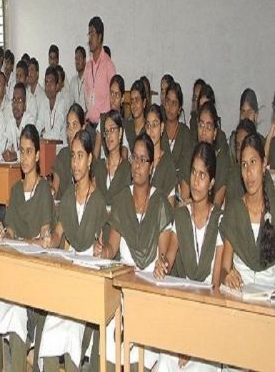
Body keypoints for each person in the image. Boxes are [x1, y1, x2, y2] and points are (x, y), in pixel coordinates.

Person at [94, 133, 173, 371]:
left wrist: (161, 264)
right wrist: (102, 250)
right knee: (109, 330)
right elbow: (112, 248)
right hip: (125, 280)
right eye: (134, 159)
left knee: (145, 333)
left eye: (143, 159)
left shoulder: (160, 202)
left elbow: (164, 255)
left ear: (152, 166)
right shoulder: (121, 200)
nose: (137, 165)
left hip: (149, 284)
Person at [0, 124, 54, 372]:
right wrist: (4, 232)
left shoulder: (44, 190)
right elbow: (11, 229)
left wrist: (31, 239)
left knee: (17, 316)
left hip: (32, 271)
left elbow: (44, 234)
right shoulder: (14, 189)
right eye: (21, 151)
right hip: (13, 266)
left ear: (37, 156)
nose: (23, 158)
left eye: (28, 151)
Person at [38, 130, 108, 372]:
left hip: (88, 281)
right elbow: (59, 233)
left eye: (81, 156)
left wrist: (101, 249)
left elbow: (105, 248)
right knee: (50, 331)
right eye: (73, 156)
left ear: (90, 159)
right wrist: (50, 239)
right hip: (69, 274)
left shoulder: (98, 201)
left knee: (70, 335)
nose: (76, 162)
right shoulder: (68, 197)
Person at [154, 142, 223, 372]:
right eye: (193, 172)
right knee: (165, 362)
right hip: (183, 311)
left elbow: (215, 287)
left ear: (212, 182)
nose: (195, 180)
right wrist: (161, 265)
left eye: (202, 175)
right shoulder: (181, 215)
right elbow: (169, 257)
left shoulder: (220, 221)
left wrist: (192, 340)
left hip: (209, 318)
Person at [220, 132, 275, 297]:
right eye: (244, 165)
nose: (248, 172)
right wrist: (227, 275)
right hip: (240, 294)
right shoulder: (234, 210)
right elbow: (223, 268)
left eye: (253, 162)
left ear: (264, 164)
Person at [226, 119, 274, 204]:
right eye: (238, 146)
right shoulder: (233, 175)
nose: (241, 151)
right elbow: (230, 211)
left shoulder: (265, 177)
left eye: (245, 145)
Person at [93, 109, 131, 208]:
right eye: (106, 132)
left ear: (120, 132)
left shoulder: (128, 169)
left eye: (112, 129)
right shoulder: (100, 167)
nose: (108, 135)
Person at [161, 81, 191, 202]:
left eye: (174, 103)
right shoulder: (158, 129)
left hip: (179, 190)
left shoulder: (185, 133)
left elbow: (186, 167)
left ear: (179, 109)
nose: (170, 107)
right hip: (159, 187)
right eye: (168, 101)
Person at [196, 101, 230, 207]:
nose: (204, 132)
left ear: (215, 133)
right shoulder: (192, 155)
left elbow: (217, 203)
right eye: (201, 125)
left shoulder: (221, 160)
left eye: (208, 127)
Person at [83, 16, 115, 127]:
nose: (90, 39)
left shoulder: (108, 65)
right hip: (90, 125)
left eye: (93, 34)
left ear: (100, 37)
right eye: (89, 34)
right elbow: (86, 95)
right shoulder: (87, 66)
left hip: (103, 126)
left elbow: (114, 97)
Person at [144, 104, 177, 204]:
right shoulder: (140, 159)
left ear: (162, 127)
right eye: (148, 125)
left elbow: (170, 207)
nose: (151, 131)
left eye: (155, 125)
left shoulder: (167, 164)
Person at [51, 103, 85, 200]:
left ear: (83, 128)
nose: (70, 131)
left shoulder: (89, 157)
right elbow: (55, 188)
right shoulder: (62, 155)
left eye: (74, 125)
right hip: (62, 210)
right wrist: (49, 192)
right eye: (68, 126)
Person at [2, 82, 36, 162]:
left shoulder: (30, 122)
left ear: (25, 105)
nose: (16, 104)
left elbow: (29, 150)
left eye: (20, 100)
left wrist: (15, 155)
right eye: (14, 100)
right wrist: (2, 153)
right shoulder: (11, 122)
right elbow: (6, 145)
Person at [36, 66, 68, 142]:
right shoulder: (44, 102)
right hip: (47, 146)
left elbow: (56, 133)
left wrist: (41, 136)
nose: (48, 86)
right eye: (46, 82)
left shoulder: (62, 102)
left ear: (57, 86)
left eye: (51, 82)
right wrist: (34, 134)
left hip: (61, 149)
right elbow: (39, 124)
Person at [124, 79, 148, 152]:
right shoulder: (126, 127)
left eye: (137, 100)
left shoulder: (149, 128)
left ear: (144, 103)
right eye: (132, 101)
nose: (134, 105)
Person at [69, 46, 86, 111]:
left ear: (84, 60)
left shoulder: (89, 79)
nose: (77, 61)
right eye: (76, 58)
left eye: (80, 58)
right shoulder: (73, 81)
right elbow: (70, 103)